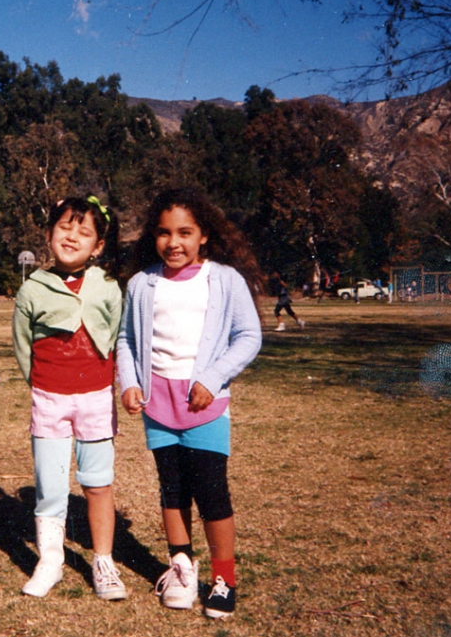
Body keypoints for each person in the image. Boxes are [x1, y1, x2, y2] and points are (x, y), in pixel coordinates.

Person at [118, 187, 264, 620]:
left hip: (206, 404)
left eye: (185, 232)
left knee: (211, 491)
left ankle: (223, 578)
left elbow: (249, 337)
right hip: (158, 403)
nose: (174, 242)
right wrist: (129, 382)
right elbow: (127, 339)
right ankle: (181, 567)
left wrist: (213, 377)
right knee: (172, 489)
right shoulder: (142, 284)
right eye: (164, 233)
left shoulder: (223, 280)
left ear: (203, 236)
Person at [12, 196, 127, 601]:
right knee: (50, 484)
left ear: (97, 246)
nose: (71, 237)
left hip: (96, 399)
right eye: (64, 227)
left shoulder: (109, 288)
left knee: (97, 483)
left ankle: (104, 561)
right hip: (49, 400)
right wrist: (45, 386)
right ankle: (49, 561)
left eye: (84, 232)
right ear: (49, 234)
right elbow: (23, 347)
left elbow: (116, 337)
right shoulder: (32, 289)